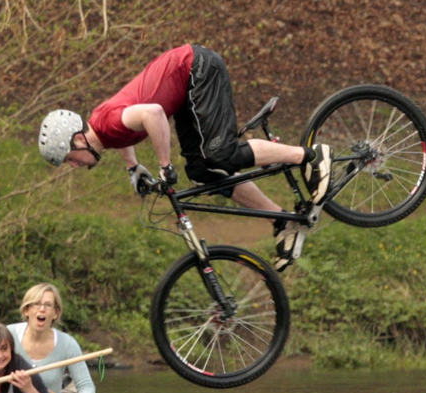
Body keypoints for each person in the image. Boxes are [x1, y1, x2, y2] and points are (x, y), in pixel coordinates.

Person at [38, 44, 333, 272]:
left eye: (69, 159)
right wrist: (133, 167)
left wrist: (164, 165)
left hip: (197, 69)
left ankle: (308, 156)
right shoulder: (105, 132)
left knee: (221, 153)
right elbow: (128, 132)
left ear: (78, 140)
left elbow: (152, 114)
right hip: (186, 87)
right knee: (203, 171)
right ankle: (281, 221)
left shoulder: (108, 125)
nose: (73, 165)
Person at [7, 283, 95, 393]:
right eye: (36, 304)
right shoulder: (8, 335)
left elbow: (86, 385)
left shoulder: (67, 344)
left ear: (55, 313)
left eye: (48, 305)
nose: (42, 309)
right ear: (26, 310)